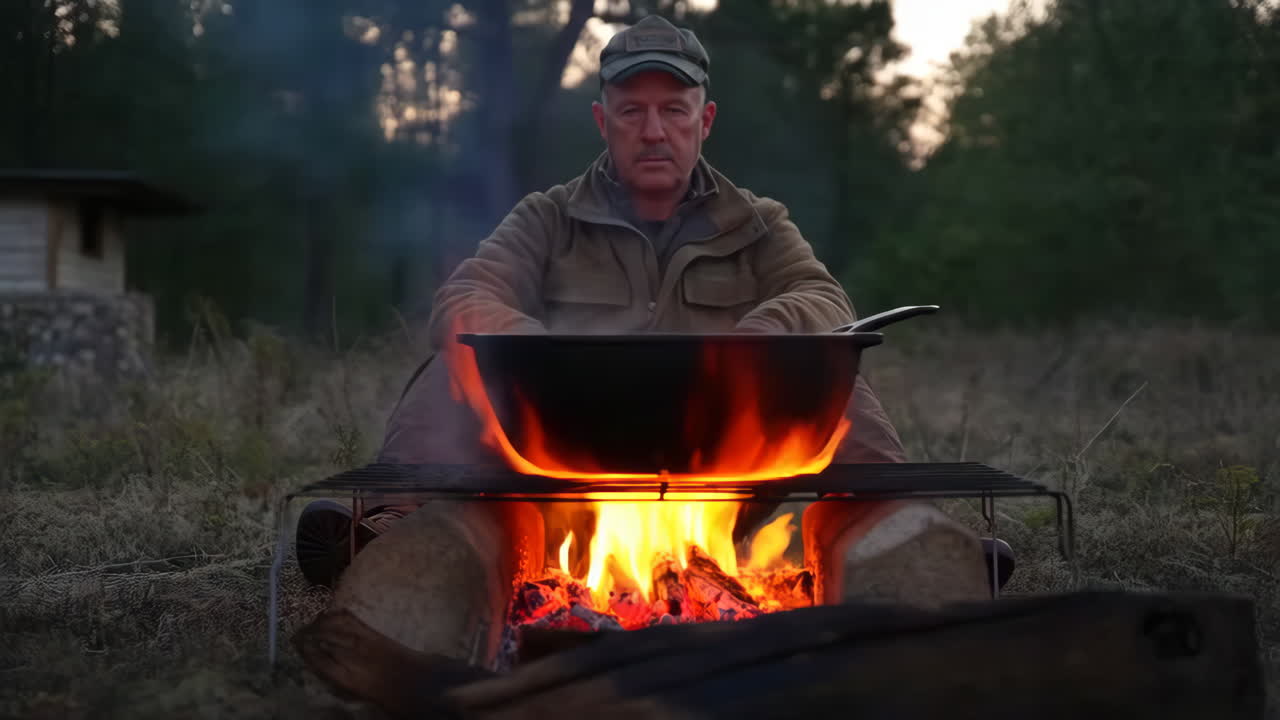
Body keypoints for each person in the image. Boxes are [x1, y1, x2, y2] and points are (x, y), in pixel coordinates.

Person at [293, 15, 1001, 706]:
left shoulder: (757, 222)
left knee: (840, 375)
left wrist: (762, 338)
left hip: (730, 465)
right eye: (632, 111)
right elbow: (466, 296)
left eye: (673, 109)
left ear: (706, 118)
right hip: (570, 464)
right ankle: (383, 531)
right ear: (603, 122)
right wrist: (540, 352)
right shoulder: (548, 216)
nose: (654, 130)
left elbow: (822, 294)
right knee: (454, 365)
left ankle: (913, 535)